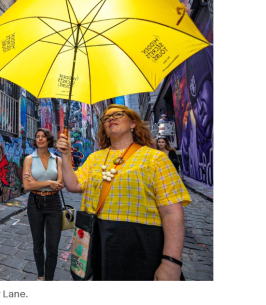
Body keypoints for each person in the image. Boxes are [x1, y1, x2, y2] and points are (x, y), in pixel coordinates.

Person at [58, 104, 191, 281]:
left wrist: (171, 261)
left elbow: (172, 213)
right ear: (104, 128)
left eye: (118, 114)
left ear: (133, 123)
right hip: (99, 240)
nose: (111, 118)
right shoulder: (94, 158)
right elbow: (74, 185)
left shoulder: (155, 158)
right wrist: (66, 155)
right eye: (106, 118)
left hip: (141, 244)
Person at [22, 128, 63, 281]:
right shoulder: (29, 159)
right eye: (37, 136)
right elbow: (27, 186)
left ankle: (49, 280)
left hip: (54, 203)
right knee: (38, 244)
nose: (40, 139)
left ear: (48, 140)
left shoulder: (57, 160)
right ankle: (41, 276)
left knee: (52, 247)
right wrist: (48, 183)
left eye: (43, 136)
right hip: (35, 202)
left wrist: (36, 182)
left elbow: (60, 184)